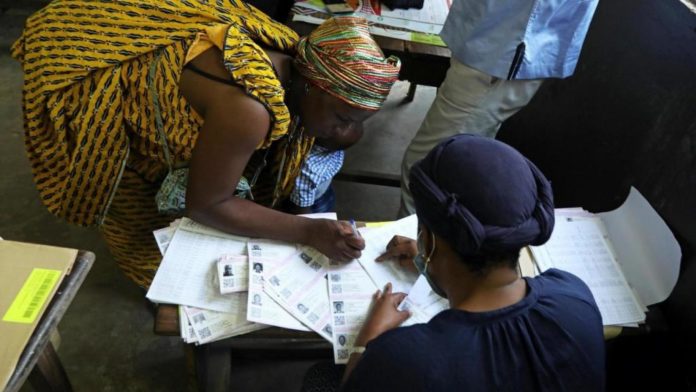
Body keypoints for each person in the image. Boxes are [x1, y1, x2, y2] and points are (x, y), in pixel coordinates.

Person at [12, 2, 400, 288]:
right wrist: (308, 231)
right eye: (343, 119)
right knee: (156, 254)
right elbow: (206, 204)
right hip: (85, 68)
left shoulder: (296, 52)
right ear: (313, 86)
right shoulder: (249, 111)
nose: (345, 133)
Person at [340, 135, 605, 391]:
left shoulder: (403, 360)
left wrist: (368, 340)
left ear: (428, 241)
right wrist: (429, 260)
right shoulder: (573, 294)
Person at [399, 0, 600, 215]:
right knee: (442, 168)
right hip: (495, 41)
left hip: (501, 49)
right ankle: (422, 244)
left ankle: (416, 246)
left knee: (427, 171)